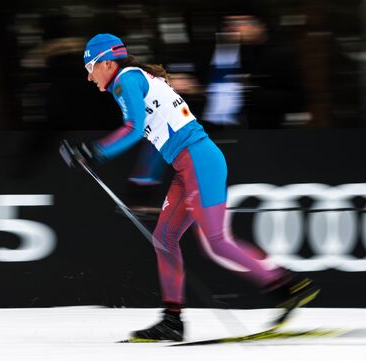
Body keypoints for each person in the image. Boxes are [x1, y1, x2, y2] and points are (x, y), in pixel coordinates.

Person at [72, 33, 319, 342]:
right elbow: (153, 139)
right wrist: (140, 180)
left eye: (90, 67)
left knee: (215, 240)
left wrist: (95, 151)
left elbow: (133, 128)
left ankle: (286, 286)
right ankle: (172, 321)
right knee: (163, 239)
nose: (88, 76)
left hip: (199, 161)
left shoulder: (126, 79)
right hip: (185, 166)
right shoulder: (133, 80)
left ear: (107, 62)